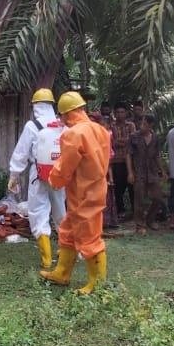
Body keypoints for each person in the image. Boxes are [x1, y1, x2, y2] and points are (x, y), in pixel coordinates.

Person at [40, 92, 113, 295]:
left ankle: (97, 284)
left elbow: (65, 166)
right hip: (95, 186)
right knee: (68, 231)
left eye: (61, 116)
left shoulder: (73, 134)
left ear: (66, 114)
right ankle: (62, 273)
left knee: (89, 237)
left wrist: (54, 180)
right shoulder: (100, 130)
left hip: (83, 191)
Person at [7, 89, 64, 269]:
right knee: (60, 211)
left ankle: (46, 259)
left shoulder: (32, 126)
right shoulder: (62, 125)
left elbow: (21, 153)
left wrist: (14, 175)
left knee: (38, 212)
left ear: (35, 106)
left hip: (38, 174)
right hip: (59, 173)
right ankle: (64, 251)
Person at [126, 114, 168, 234]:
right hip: (139, 171)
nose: (142, 126)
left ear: (150, 125)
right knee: (139, 199)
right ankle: (140, 224)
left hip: (152, 171)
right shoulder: (134, 136)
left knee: (158, 197)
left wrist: (162, 170)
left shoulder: (155, 137)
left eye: (145, 124)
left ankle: (150, 219)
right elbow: (128, 154)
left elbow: (156, 155)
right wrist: (130, 172)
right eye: (141, 123)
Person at [108, 102, 136, 219]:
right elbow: (111, 142)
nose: (120, 114)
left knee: (132, 186)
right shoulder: (111, 126)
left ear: (126, 113)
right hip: (116, 161)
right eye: (118, 112)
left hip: (130, 160)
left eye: (122, 112)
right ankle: (121, 210)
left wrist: (119, 141)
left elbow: (133, 140)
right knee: (118, 187)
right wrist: (122, 141)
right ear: (114, 114)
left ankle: (135, 210)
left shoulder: (131, 125)